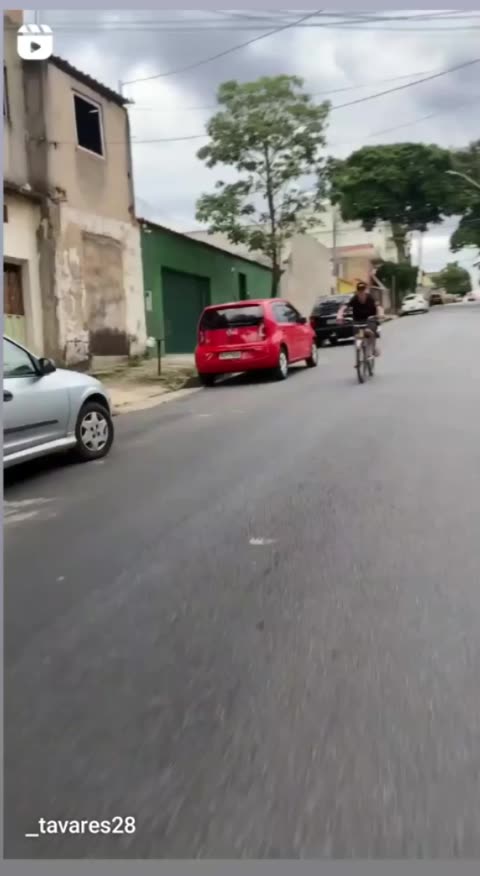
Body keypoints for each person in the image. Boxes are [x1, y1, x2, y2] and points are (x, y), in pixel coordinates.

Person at [337, 281, 384, 356]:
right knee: (359, 335)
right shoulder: (354, 299)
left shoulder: (370, 298)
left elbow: (378, 307)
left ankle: (373, 348)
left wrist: (381, 314)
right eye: (360, 291)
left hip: (370, 320)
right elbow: (344, 307)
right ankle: (361, 355)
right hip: (358, 322)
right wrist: (339, 315)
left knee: (369, 332)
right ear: (357, 292)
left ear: (366, 291)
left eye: (363, 290)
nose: (361, 293)